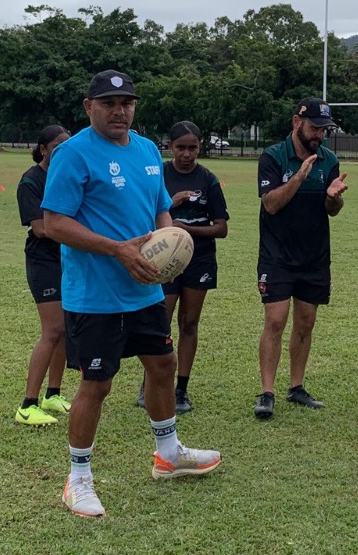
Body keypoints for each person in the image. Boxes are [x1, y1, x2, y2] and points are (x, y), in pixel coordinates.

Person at [43, 70, 221, 519]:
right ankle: (78, 479)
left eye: (127, 103)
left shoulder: (145, 149)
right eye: (108, 103)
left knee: (163, 365)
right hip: (95, 296)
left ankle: (168, 454)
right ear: (89, 107)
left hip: (144, 293)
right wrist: (116, 250)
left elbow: (160, 209)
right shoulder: (73, 154)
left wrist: (168, 244)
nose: (119, 111)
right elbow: (55, 223)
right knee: (97, 384)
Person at [253, 98, 349, 419]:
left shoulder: (329, 160)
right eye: (314, 128)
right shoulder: (272, 157)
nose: (319, 136)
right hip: (277, 255)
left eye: (325, 130)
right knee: (276, 321)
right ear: (297, 123)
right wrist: (298, 177)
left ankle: (296, 387)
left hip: (314, 257)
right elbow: (271, 205)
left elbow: (331, 210)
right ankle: (267, 392)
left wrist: (334, 199)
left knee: (305, 323)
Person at [157, 121, 230, 414]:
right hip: (163, 258)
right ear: (170, 146)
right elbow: (144, 215)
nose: (187, 154)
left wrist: (187, 230)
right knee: (160, 322)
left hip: (198, 259)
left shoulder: (208, 179)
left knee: (189, 323)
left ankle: (181, 389)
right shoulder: (159, 174)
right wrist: (170, 204)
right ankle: (152, 382)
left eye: (193, 148)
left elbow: (221, 228)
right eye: (180, 148)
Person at [14, 124, 72, 426]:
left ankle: (53, 394)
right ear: (44, 148)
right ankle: (28, 404)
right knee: (53, 330)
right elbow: (41, 228)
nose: (64, 150)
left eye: (69, 145)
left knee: (65, 329)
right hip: (43, 261)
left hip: (69, 259)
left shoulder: (69, 176)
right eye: (58, 145)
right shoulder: (31, 181)